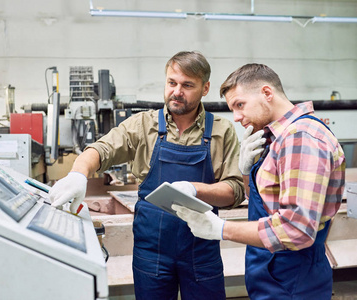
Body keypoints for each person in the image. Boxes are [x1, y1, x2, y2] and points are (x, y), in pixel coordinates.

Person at [49, 51, 245, 300]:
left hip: (201, 252)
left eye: (187, 85)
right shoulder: (142, 125)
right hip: (152, 254)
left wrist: (194, 190)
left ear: (205, 88)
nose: (177, 92)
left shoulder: (221, 130)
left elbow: (235, 190)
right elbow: (101, 150)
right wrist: (78, 174)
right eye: (172, 83)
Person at [172, 63, 346, 299]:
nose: (236, 117)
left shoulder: (300, 138)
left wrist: (221, 229)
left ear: (267, 93)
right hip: (273, 275)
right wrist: (245, 170)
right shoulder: (277, 138)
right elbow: (265, 201)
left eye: (239, 105)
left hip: (294, 280)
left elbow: (296, 229)